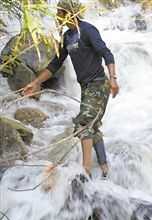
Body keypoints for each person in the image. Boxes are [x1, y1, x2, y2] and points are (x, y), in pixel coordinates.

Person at [23, 0, 119, 178]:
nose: (56, 16)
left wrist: (113, 79)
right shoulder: (67, 37)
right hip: (86, 87)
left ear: (67, 13)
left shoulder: (88, 30)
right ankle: (105, 168)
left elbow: (107, 53)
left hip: (98, 84)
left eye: (59, 12)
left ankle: (86, 171)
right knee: (92, 126)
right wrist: (35, 83)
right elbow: (55, 64)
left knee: (84, 124)